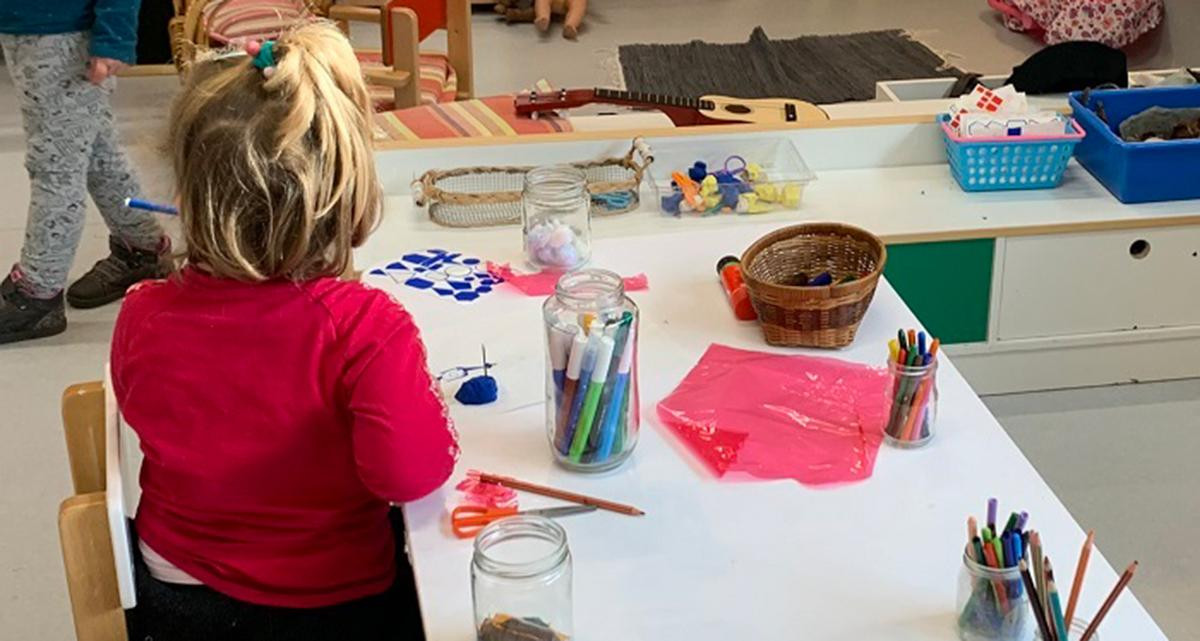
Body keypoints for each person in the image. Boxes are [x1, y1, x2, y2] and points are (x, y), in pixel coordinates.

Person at [109, 24, 458, 640]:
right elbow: (410, 478)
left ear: (188, 194)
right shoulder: (367, 326)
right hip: (333, 607)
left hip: (171, 604)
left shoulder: (141, 312)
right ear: (344, 197)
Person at [0, 0, 170, 345]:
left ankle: (38, 292)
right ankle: (142, 247)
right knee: (96, 154)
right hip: (26, 30)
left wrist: (113, 39)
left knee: (55, 166)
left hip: (67, 38)